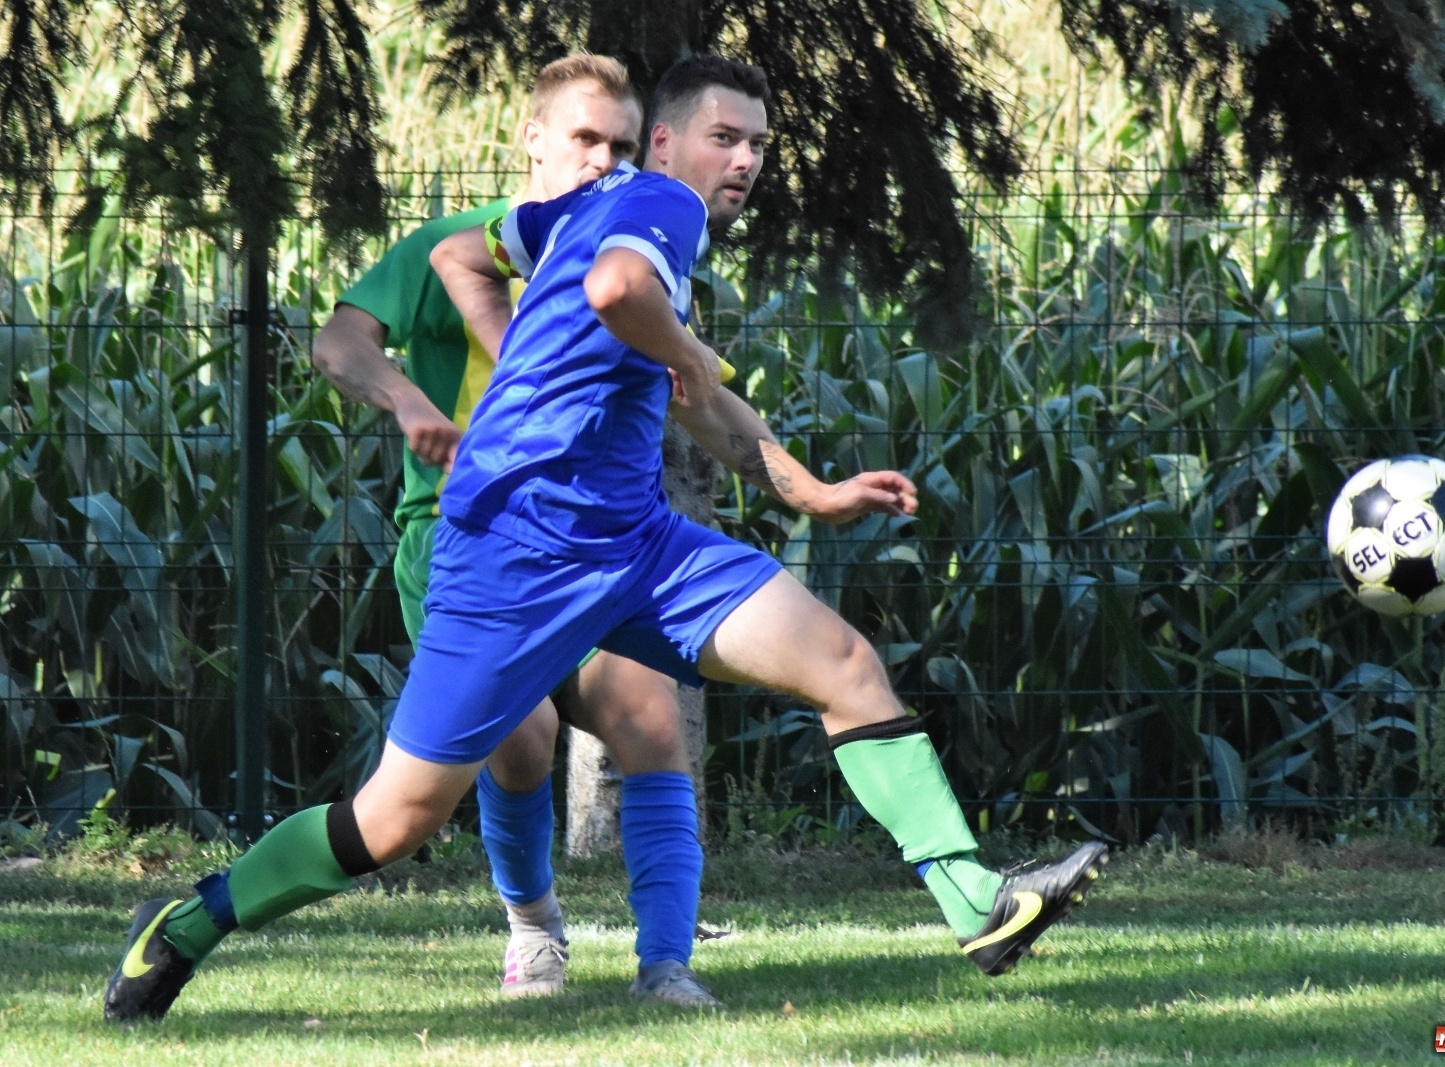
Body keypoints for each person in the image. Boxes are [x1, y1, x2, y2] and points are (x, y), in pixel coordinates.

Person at [104, 53, 1109, 1025]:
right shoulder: (660, 204)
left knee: (842, 661)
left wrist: (809, 486)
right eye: (725, 138)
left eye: (759, 143)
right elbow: (617, 297)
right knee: (393, 820)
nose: (747, 161)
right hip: (513, 553)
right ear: (665, 145)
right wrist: (673, 343)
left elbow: (646, 364)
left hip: (636, 544)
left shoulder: (576, 213)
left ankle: (977, 903)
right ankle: (186, 922)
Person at [304, 55, 713, 1006]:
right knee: (522, 738)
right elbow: (338, 341)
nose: (601, 162)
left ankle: (668, 965)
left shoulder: (631, 239)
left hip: (595, 544)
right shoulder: (460, 242)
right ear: (530, 138)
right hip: (463, 541)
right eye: (583, 140)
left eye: (619, 145)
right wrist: (409, 401)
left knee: (650, 721)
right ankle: (533, 929)